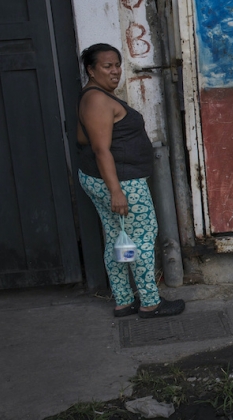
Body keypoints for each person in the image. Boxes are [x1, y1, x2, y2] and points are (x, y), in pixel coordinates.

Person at [77, 43, 185, 318]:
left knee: (118, 239)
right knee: (142, 238)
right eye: (106, 66)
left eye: (117, 65)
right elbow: (101, 149)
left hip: (109, 181)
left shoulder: (95, 96)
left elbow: (86, 141)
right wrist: (116, 191)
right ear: (91, 70)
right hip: (122, 183)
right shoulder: (98, 100)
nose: (115, 72)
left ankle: (124, 300)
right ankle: (150, 302)